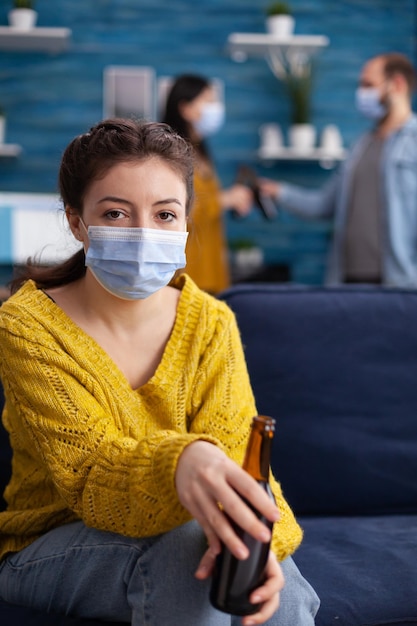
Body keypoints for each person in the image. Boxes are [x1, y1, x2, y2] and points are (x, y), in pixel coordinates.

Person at [0, 119, 319, 625]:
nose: (143, 233)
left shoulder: (211, 324)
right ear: (77, 223)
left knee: (283, 590)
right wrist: (182, 462)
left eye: (165, 214)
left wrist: (265, 546)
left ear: (187, 222)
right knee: (185, 557)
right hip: (48, 541)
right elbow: (90, 476)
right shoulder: (28, 325)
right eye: (116, 213)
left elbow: (241, 459)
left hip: (185, 529)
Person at [260, 52, 417, 287]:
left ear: (397, 84)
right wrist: (278, 191)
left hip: (400, 285)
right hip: (346, 282)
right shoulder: (361, 146)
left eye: (369, 85)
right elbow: (323, 204)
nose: (362, 94)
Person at [162, 74, 253, 294]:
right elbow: (171, 211)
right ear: (185, 108)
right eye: (209, 101)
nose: (216, 108)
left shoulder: (200, 151)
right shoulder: (170, 154)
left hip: (209, 270)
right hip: (186, 275)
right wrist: (224, 200)